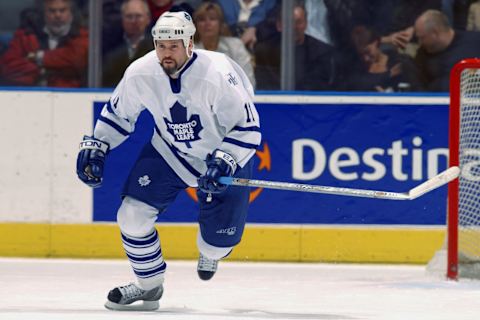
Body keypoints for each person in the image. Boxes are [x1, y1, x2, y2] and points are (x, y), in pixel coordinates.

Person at [76, 11, 261, 311]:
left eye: (173, 46)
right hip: (170, 152)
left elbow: (248, 128)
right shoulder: (140, 72)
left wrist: (225, 159)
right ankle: (149, 287)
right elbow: (119, 115)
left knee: (215, 245)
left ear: (190, 44)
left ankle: (211, 251)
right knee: (131, 216)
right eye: (161, 46)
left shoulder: (216, 73)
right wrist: (98, 145)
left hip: (223, 157)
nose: (166, 53)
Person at [0, 0, 88, 87]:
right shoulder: (26, 34)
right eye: (52, 11)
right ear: (43, 12)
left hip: (69, 96)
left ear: (71, 12)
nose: (57, 15)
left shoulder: (82, 34)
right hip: (29, 94)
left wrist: (37, 58)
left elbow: (77, 60)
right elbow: (8, 66)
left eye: (62, 10)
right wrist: (42, 71)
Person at [254, 2, 336, 91]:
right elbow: (266, 86)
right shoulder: (265, 53)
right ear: (279, 25)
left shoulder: (321, 52)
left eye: (299, 22)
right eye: (289, 22)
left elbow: (317, 87)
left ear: (306, 24)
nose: (294, 27)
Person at [414, 9, 480, 91]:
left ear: (435, 33)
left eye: (422, 38)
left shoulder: (476, 42)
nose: (420, 42)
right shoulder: (422, 55)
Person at [193, 1, 256, 87]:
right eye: (202, 19)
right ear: (195, 25)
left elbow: (248, 82)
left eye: (212, 19)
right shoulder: (189, 51)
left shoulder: (235, 46)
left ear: (221, 24)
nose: (207, 23)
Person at [346, 25, 423, 92]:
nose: (366, 58)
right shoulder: (358, 67)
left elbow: (418, 93)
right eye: (361, 54)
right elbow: (354, 86)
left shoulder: (400, 62)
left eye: (368, 52)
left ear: (376, 42)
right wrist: (387, 75)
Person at [102, 0, 154, 87]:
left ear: (148, 18)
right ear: (122, 19)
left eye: (138, 16)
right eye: (129, 16)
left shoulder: (156, 46)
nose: (133, 21)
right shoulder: (109, 45)